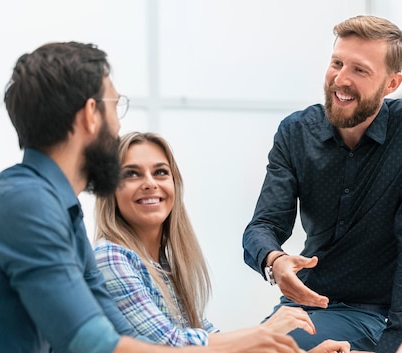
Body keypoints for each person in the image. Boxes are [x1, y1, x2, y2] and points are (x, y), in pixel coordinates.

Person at [0, 41, 313, 353]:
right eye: (116, 106)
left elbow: (120, 334)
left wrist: (270, 345)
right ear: (90, 115)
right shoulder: (26, 206)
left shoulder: (57, 210)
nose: (117, 126)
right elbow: (95, 345)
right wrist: (255, 338)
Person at [242, 15, 402, 353]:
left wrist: (393, 344)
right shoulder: (295, 133)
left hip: (374, 314)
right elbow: (263, 225)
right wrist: (275, 261)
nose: (341, 79)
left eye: (360, 70)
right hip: (305, 307)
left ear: (391, 84)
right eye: (337, 63)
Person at [94, 131, 350, 353]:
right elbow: (170, 346)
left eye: (160, 172)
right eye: (132, 174)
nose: (150, 183)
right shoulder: (111, 257)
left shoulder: (166, 268)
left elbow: (215, 342)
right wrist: (267, 332)